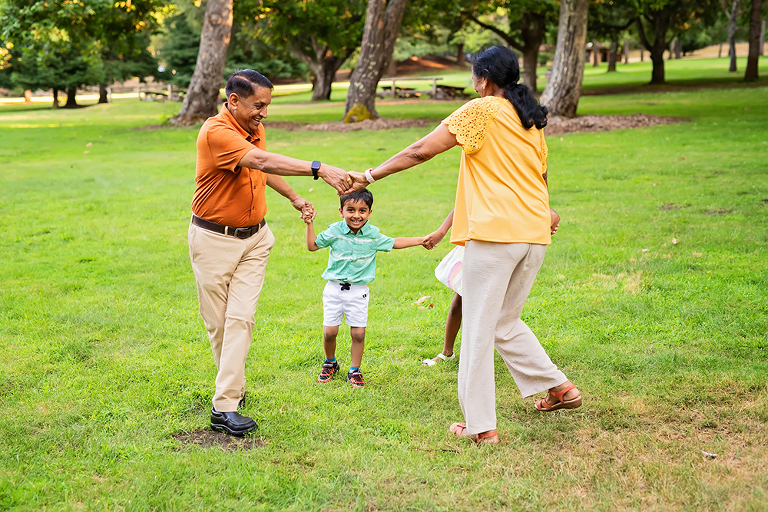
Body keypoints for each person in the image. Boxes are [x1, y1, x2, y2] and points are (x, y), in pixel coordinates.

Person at [347, 46, 581, 444]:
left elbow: (421, 149)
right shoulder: (530, 119)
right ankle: (560, 388)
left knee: (477, 329)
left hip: (496, 237)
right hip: (534, 235)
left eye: (474, 76)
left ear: (484, 78)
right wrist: (547, 210)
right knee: (503, 322)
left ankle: (480, 427)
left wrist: (369, 175)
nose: (473, 83)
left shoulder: (481, 110)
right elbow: (539, 178)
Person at [189, 69, 353, 436]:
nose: (264, 113)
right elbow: (261, 161)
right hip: (214, 241)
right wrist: (319, 169)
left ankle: (224, 405)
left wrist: (294, 197)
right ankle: (231, 388)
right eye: (258, 105)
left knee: (240, 319)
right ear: (234, 101)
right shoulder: (216, 132)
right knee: (220, 326)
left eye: (267, 105)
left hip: (256, 240)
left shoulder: (253, 129)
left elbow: (260, 165)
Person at [305, 189, 425, 388]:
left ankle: (354, 370)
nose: (356, 215)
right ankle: (330, 362)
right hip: (334, 289)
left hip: (358, 291)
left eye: (362, 211)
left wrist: (421, 240)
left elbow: (395, 243)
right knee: (330, 332)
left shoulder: (373, 235)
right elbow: (312, 245)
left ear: (369, 213)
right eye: (350, 210)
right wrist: (309, 223)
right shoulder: (334, 231)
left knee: (358, 333)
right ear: (341, 211)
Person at [421, 208, 561, 367]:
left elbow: (534, 190)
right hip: (481, 244)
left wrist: (549, 213)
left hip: (507, 246)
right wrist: (441, 231)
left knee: (500, 310)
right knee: (459, 300)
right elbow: (463, 202)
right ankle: (447, 352)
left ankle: (525, 359)